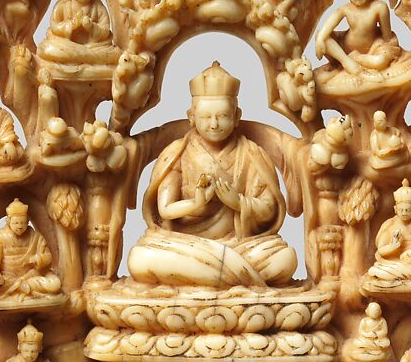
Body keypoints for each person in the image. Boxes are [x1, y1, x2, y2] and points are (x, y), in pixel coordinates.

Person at [126, 62, 297, 287]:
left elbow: (269, 209)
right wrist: (196, 203)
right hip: (184, 245)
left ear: (236, 116)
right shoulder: (177, 153)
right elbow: (165, 210)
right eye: (206, 117)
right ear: (191, 116)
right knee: (140, 258)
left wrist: (239, 202)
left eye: (222, 116)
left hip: (239, 245)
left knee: (284, 258)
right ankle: (237, 277)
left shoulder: (252, 154)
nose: (214, 124)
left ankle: (212, 275)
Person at [314, 0, 401, 75]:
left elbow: (387, 36)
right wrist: (320, 39)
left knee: (379, 61)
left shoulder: (379, 7)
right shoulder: (345, 9)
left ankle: (353, 59)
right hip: (344, 48)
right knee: (320, 35)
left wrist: (389, 45)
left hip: (370, 50)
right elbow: (327, 26)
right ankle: (345, 61)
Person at [0, 199, 62, 297]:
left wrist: (38, 259)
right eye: (16, 223)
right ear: (9, 221)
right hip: (6, 276)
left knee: (55, 284)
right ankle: (22, 287)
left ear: (27, 222)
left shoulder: (36, 237)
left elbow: (48, 257)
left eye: (22, 223)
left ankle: (18, 287)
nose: (19, 226)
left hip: (31, 275)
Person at [36, 0, 117, 67]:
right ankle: (85, 59)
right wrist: (71, 25)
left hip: (93, 47)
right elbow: (54, 26)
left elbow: (105, 31)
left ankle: (75, 58)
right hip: (66, 46)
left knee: (114, 54)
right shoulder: (62, 6)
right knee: (47, 49)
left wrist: (92, 27)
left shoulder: (99, 9)